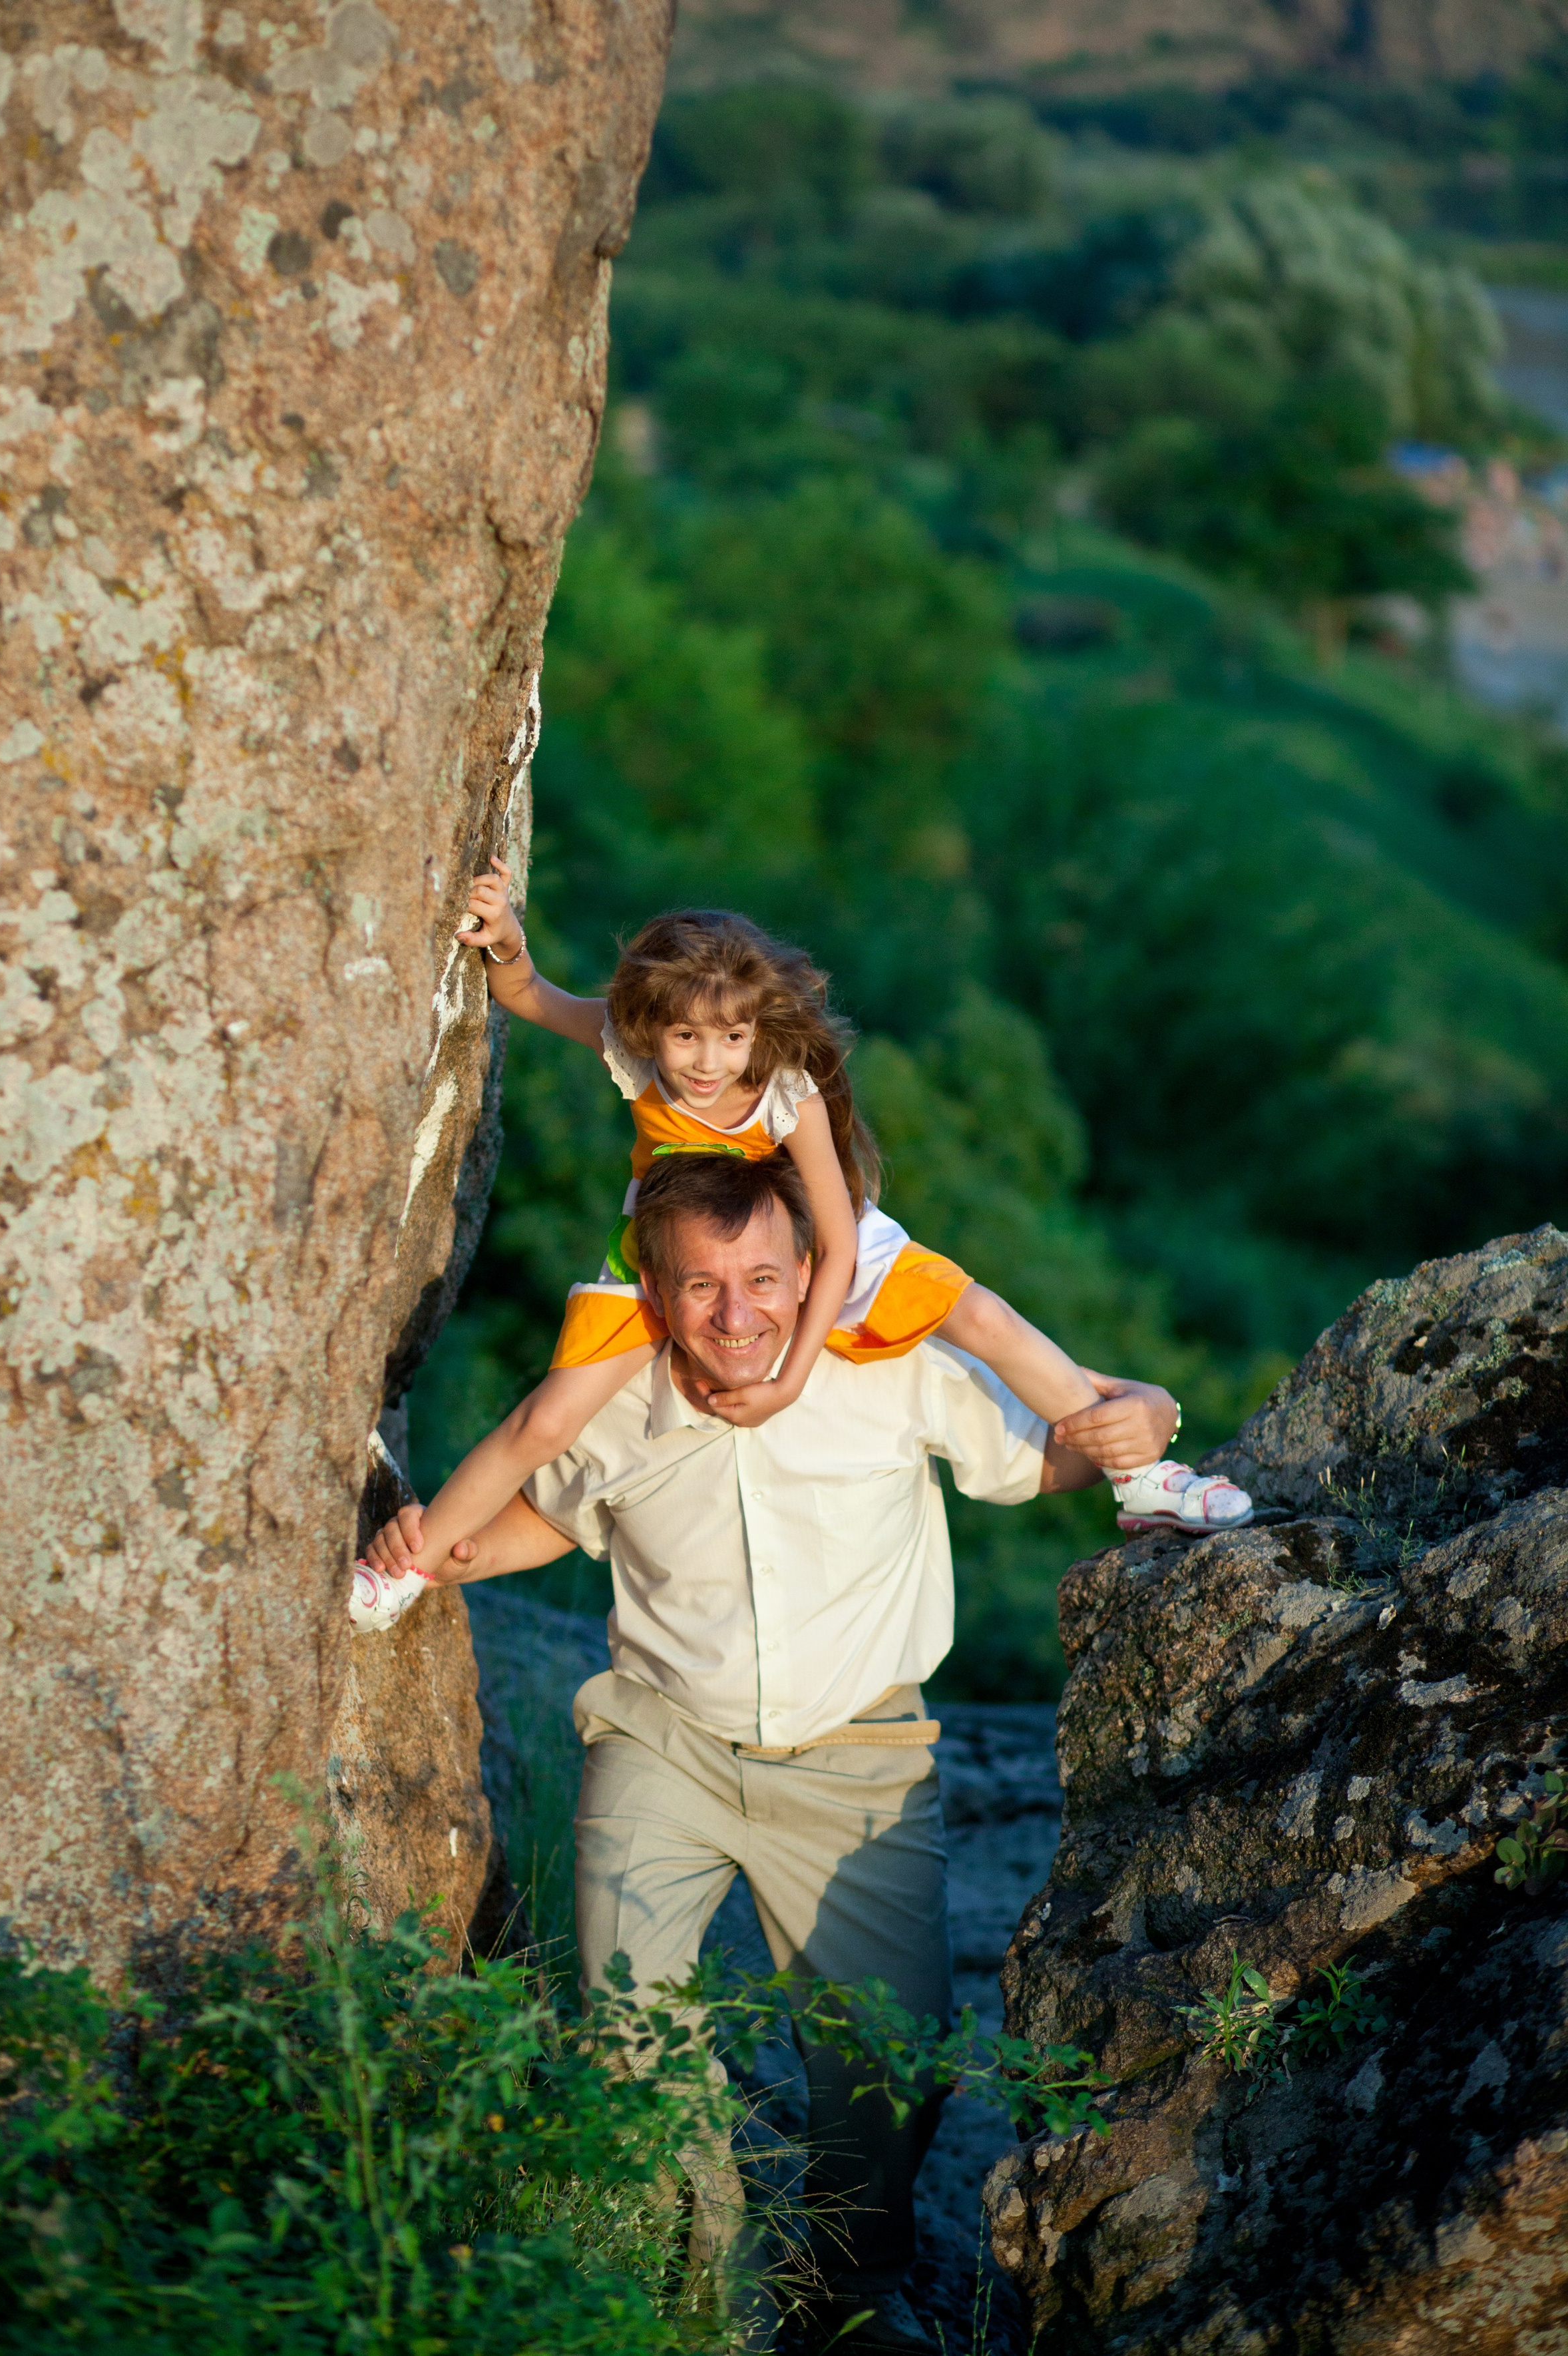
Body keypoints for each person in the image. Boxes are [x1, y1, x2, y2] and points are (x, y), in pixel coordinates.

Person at [363, 1148, 1181, 2352]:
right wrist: (444, 1551)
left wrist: (1147, 1410)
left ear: (809, 1273)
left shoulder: (891, 1364)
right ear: (656, 1289)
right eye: (701, 1285)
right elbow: (549, 1512)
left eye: (760, 1278)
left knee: (887, 2067)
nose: (735, 1314)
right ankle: (700, 2294)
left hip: (859, 1758)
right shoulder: (614, 1390)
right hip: (663, 1743)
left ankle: (850, 2286)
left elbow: (1053, 1451)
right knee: (628, 2030)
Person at [349, 875, 1247, 1630]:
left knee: (981, 1316)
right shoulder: (634, 1051)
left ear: (757, 1029)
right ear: (652, 1025)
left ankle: (1142, 1477)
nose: (708, 1063)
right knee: (547, 1420)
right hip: (672, 1248)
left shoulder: (787, 1093)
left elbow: (842, 1239)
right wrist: (506, 939)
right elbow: (528, 996)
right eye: (686, 1037)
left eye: (731, 1037)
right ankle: (408, 1568)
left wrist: (791, 1377)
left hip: (812, 1242)